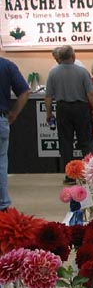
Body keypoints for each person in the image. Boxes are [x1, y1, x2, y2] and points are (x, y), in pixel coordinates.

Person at [44, 45, 93, 184]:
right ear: (73, 56)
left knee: (66, 143)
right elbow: (91, 93)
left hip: (62, 108)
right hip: (81, 108)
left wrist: (49, 113)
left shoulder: (53, 73)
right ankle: (88, 174)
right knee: (85, 142)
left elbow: (48, 96)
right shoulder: (82, 72)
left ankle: (70, 176)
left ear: (60, 58)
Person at [0, 57, 30, 210]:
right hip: (1, 118)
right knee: (1, 163)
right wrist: (14, 113)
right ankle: (2, 204)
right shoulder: (7, 65)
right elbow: (25, 91)